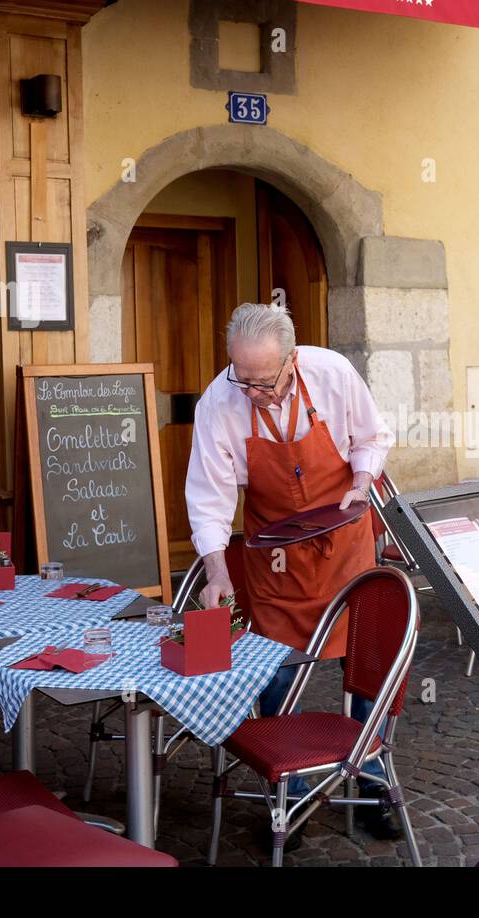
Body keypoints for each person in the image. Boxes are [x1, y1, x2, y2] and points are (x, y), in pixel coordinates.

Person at [185, 303, 397, 843]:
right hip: (275, 554)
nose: (252, 391)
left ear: (292, 358)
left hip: (345, 541)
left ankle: (372, 783)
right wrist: (216, 570)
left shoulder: (332, 373)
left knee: (366, 664)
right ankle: (288, 797)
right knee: (276, 671)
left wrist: (363, 481)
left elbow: (373, 437)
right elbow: (208, 497)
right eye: (243, 379)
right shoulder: (219, 401)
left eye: (265, 380)